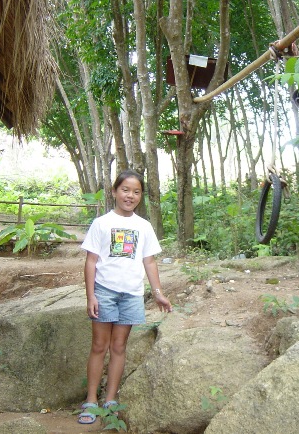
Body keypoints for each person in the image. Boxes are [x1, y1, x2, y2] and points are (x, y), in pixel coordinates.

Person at [78, 169, 173, 424]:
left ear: (141, 196)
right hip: (104, 292)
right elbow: (91, 261)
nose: (130, 195)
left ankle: (110, 400)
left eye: (136, 192)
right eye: (125, 190)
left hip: (131, 295)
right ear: (114, 192)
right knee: (99, 346)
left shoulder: (143, 226)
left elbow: (149, 261)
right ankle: (90, 400)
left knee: (119, 346)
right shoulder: (101, 223)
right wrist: (91, 296)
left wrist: (158, 294)